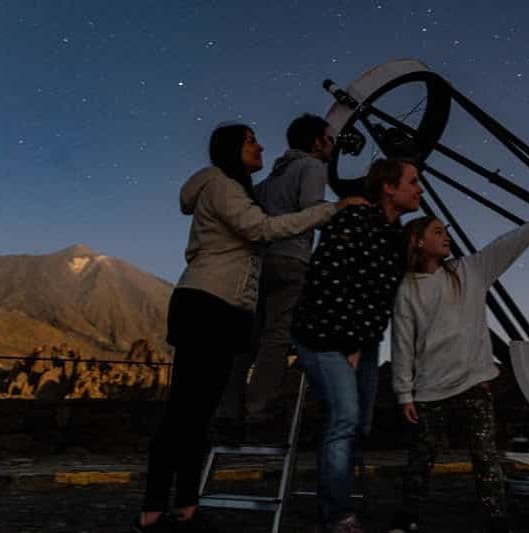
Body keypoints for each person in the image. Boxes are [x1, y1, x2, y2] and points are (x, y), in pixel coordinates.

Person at [134, 123, 367, 532]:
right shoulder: (221, 186)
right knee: (184, 413)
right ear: (230, 148)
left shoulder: (242, 190)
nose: (260, 146)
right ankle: (152, 512)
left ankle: (185, 507)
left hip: (224, 307)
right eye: (250, 140)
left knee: (199, 414)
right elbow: (262, 229)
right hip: (207, 303)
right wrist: (332, 209)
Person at [388, 204, 529, 533]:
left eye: (446, 231)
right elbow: (402, 344)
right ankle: (406, 518)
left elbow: (504, 246)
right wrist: (404, 393)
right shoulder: (407, 289)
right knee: (421, 459)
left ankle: (497, 520)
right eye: (437, 232)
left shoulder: (468, 271)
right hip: (430, 388)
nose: (446, 236)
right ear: (417, 241)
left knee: (485, 456)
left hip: (473, 382)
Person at [291, 158, 424, 533]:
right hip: (324, 334)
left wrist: (360, 342)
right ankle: (339, 515)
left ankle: (333, 497)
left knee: (359, 425)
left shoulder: (395, 237)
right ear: (388, 187)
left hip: (362, 340)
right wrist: (348, 341)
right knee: (345, 418)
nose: (420, 189)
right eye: (413, 181)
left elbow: (380, 301)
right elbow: (328, 280)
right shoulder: (354, 219)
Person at [245, 113, 335, 423]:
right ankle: (257, 409)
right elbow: (313, 210)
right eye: (329, 139)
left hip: (262, 261)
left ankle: (229, 407)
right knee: (278, 336)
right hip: (291, 260)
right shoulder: (312, 166)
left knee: (251, 338)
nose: (333, 146)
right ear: (316, 143)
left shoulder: (271, 178)